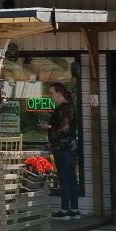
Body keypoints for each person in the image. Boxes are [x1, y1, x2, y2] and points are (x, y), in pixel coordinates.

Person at [48, 82, 80, 219]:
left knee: (65, 178)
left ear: (59, 93)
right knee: (72, 179)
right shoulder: (69, 106)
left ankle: (65, 210)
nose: (51, 96)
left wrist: (50, 127)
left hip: (63, 147)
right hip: (70, 146)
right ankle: (74, 210)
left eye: (52, 93)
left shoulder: (64, 107)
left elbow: (64, 129)